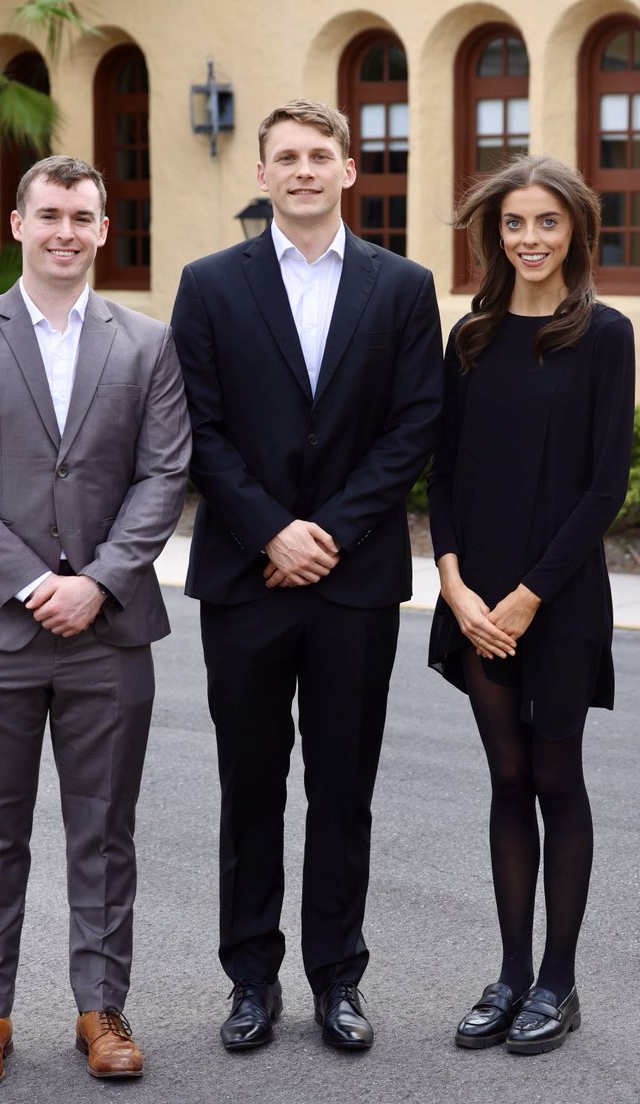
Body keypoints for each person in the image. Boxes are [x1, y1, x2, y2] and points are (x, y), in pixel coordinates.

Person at [0, 155, 191, 1087]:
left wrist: (99, 584)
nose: (66, 230)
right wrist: (35, 583)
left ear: (104, 230)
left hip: (108, 637)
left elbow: (162, 478)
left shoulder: (147, 345)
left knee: (104, 829)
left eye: (83, 216)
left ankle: (100, 1009)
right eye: (49, 214)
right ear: (20, 224)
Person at [171, 100, 442, 1052]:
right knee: (250, 786)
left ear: (348, 169)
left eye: (318, 155)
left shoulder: (404, 286)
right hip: (246, 582)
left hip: (354, 580)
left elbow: (415, 424)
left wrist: (323, 530)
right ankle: (250, 979)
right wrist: (268, 533)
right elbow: (196, 429)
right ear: (261, 174)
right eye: (284, 157)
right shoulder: (207, 285)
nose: (302, 170)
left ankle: (337, 978)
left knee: (343, 787)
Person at [427, 155, 634, 1054]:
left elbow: (604, 487)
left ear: (576, 231)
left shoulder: (605, 335)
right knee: (506, 780)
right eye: (516, 223)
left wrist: (525, 597)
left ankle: (558, 981)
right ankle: (510, 974)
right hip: (476, 600)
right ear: (494, 234)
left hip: (558, 595)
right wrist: (455, 585)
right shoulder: (469, 336)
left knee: (556, 777)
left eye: (548, 222)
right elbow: (445, 471)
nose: (531, 239)